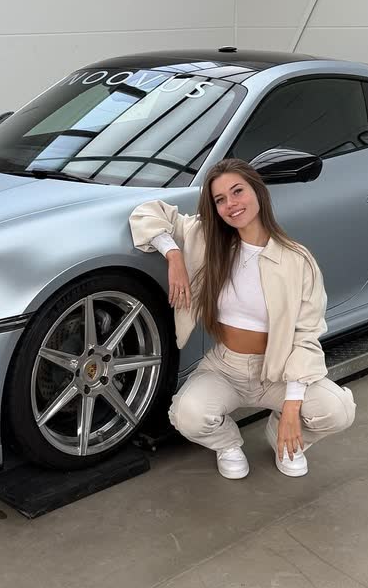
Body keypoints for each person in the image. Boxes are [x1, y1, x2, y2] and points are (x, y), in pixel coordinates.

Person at [129, 158, 355, 480]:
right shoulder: (205, 238)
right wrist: (173, 254)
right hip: (226, 366)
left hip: (278, 369)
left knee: (338, 411)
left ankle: (283, 433)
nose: (231, 204)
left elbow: (306, 334)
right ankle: (227, 444)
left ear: (258, 192)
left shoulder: (296, 260)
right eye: (220, 199)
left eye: (238, 191)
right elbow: (146, 213)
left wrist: (292, 409)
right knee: (186, 415)